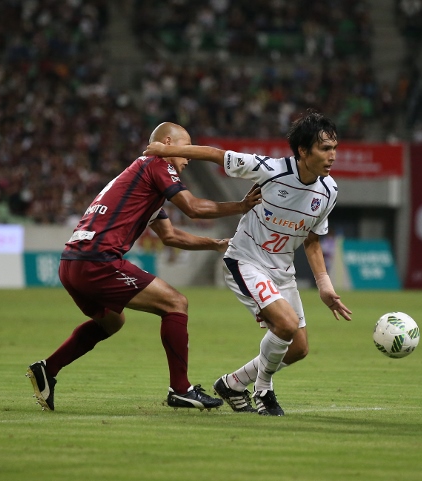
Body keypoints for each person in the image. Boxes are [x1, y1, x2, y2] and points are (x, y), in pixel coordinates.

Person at [26, 122, 262, 411]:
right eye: (185, 148)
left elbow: (170, 236)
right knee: (175, 303)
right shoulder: (157, 164)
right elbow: (193, 208)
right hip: (97, 260)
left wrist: (215, 244)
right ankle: (181, 390)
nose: (189, 157)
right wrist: (240, 206)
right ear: (167, 143)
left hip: (72, 263)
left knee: (112, 321)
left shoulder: (140, 180)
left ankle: (47, 369)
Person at [144, 110, 352, 415]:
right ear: (303, 151)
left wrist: (325, 285)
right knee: (285, 324)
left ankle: (232, 383)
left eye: (334, 148)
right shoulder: (270, 169)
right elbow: (216, 155)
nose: (332, 156)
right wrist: (166, 151)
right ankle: (263, 390)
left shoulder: (329, 191)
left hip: (283, 271)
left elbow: (312, 240)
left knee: (298, 348)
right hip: (246, 260)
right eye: (325, 148)